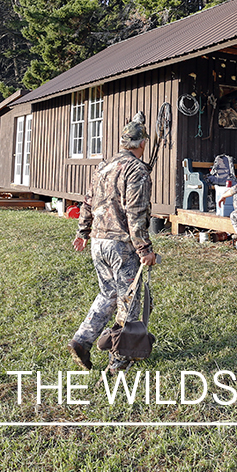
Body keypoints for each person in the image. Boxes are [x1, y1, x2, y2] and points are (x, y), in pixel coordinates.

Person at [69, 118, 159, 375]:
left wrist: (83, 232)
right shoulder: (136, 170)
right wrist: (144, 249)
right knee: (128, 302)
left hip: (98, 242)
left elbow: (87, 202)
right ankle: (119, 361)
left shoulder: (103, 167)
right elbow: (136, 212)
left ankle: (82, 341)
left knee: (108, 294)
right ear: (142, 143)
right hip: (122, 246)